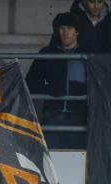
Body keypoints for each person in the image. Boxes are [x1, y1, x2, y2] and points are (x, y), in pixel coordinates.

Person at [25, 12, 88, 149]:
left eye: (70, 28)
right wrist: (51, 90)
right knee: (52, 158)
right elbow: (30, 83)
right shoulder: (47, 53)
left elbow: (94, 85)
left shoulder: (87, 54)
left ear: (77, 32)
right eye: (62, 28)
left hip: (79, 119)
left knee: (78, 158)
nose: (65, 33)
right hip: (52, 117)